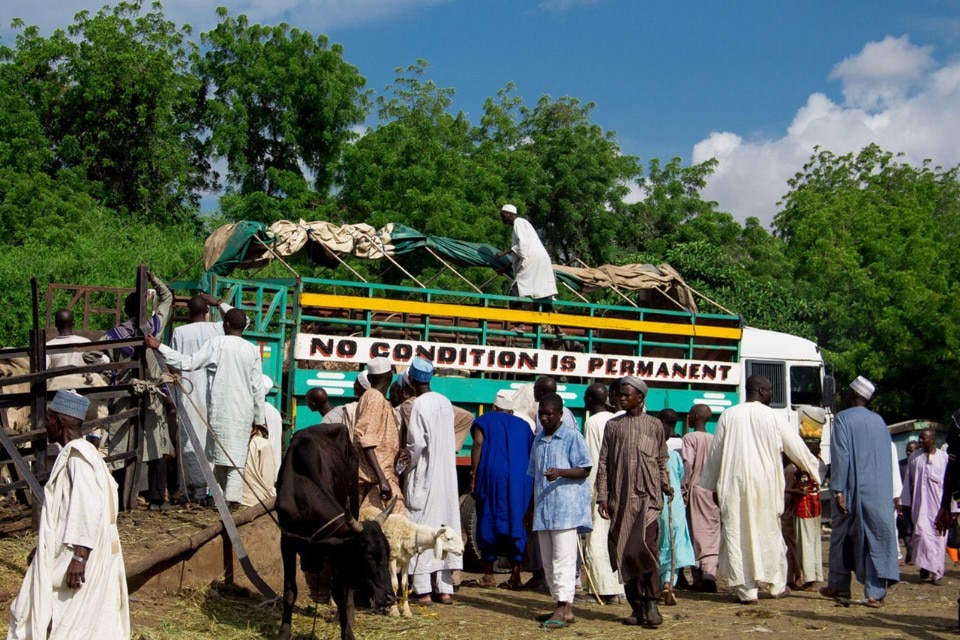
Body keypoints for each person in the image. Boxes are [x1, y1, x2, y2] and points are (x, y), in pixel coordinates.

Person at [8, 390, 129, 639]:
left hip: (81, 553)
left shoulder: (78, 458)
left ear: (60, 422)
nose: (45, 425)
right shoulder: (87, 453)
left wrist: (80, 557)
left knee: (68, 618)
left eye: (49, 418)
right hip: (80, 547)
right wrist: (43, 548)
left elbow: (88, 507)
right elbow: (69, 510)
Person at [699, 375, 820, 604]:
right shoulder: (773, 417)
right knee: (769, 532)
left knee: (738, 533)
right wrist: (814, 470)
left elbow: (716, 455)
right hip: (765, 485)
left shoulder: (729, 415)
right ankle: (775, 585)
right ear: (763, 390)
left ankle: (747, 591)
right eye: (771, 390)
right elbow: (797, 448)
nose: (772, 394)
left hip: (734, 485)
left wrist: (713, 485)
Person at [145, 308, 265, 507]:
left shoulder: (217, 343)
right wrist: (259, 419)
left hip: (219, 410)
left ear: (226, 325)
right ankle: (228, 498)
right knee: (230, 458)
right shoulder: (251, 350)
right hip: (243, 412)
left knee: (225, 459)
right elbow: (257, 388)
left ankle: (231, 500)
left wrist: (160, 346)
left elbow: (188, 363)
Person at [596, 377, 671, 627]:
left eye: (627, 394)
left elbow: (662, 460)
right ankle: (636, 607)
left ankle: (652, 602)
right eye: (620, 394)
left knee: (646, 547)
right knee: (625, 552)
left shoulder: (655, 425)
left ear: (641, 397)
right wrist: (603, 496)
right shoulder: (613, 426)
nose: (622, 398)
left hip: (648, 500)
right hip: (620, 500)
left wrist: (665, 483)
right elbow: (604, 464)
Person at [820, 376, 899, 607]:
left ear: (855, 394)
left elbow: (841, 456)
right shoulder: (879, 421)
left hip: (851, 490)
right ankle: (875, 593)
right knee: (875, 538)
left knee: (842, 537)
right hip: (879, 492)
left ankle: (840, 586)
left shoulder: (843, 419)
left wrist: (838, 490)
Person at [104, 269, 174, 511]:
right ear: (145, 309)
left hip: (125, 395)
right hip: (152, 395)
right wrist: (154, 278)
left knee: (120, 446)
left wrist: (109, 374)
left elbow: (94, 355)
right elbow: (167, 298)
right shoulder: (154, 326)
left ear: (125, 311)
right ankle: (156, 499)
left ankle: (119, 498)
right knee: (157, 445)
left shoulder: (114, 336)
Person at [527, 392, 592, 628]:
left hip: (566, 510)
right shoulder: (538, 440)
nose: (544, 418)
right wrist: (530, 509)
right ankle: (562, 608)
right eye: (541, 413)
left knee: (563, 559)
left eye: (548, 414)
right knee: (548, 561)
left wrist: (561, 472)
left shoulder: (572, 437)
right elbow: (534, 476)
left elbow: (585, 468)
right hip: (544, 510)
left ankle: (563, 605)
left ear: (560, 414)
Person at [401, 357, 462, 604]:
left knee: (423, 530)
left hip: (425, 474)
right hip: (446, 477)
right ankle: (445, 589)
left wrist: (407, 465)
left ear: (412, 380)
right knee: (445, 528)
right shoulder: (445, 402)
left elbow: (416, 444)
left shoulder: (419, 405)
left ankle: (423, 590)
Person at [168, 292, 233, 507]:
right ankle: (210, 489)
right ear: (207, 310)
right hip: (213, 393)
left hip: (188, 391)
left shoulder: (179, 331)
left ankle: (191, 489)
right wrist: (219, 303)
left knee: (188, 441)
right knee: (211, 442)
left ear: (188, 312)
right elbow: (243, 320)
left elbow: (173, 362)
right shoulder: (217, 328)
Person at [469, 390, 534, 589]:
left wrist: (473, 474)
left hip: (492, 476)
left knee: (488, 518)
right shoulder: (525, 426)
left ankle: (488, 575)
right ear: (511, 411)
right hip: (519, 479)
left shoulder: (485, 419)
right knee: (518, 521)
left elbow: (478, 442)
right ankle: (516, 575)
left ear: (494, 407)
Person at [582, 382, 622, 602]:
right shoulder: (616, 420)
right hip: (618, 488)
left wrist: (589, 493)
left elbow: (591, 460)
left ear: (588, 400)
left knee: (596, 539)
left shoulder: (592, 423)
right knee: (614, 539)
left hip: (600, 488)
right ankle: (617, 589)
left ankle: (603, 590)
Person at [900, 428, 953, 585]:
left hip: (940, 508)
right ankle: (925, 564)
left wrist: (954, 508)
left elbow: (951, 483)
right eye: (920, 438)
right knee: (922, 535)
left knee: (939, 539)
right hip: (920, 507)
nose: (920, 441)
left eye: (923, 438)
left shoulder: (944, 458)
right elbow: (908, 483)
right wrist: (904, 503)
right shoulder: (915, 458)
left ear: (933, 439)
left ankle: (937, 573)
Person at [353, 357, 405, 514]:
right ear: (390, 376)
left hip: (381, 475)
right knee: (397, 523)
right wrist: (382, 478)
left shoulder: (378, 399)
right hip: (375, 479)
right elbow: (366, 441)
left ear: (369, 378)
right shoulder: (374, 398)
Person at [494, 204, 558, 332]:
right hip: (541, 261)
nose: (502, 218)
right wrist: (507, 266)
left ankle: (519, 324)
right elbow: (520, 250)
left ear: (509, 214)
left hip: (532, 261)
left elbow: (522, 245)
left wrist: (504, 253)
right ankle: (557, 327)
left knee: (515, 292)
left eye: (503, 215)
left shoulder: (518, 222)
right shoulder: (523, 224)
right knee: (542, 293)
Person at [680, 404, 720, 592]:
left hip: (696, 488)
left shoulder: (689, 438)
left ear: (694, 417)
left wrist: (683, 487)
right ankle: (710, 571)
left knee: (696, 531)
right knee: (712, 531)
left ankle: (700, 575)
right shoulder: (715, 440)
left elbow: (688, 464)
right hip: (713, 491)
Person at [658, 416, 695, 602]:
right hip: (675, 504)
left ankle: (659, 584)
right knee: (673, 542)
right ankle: (668, 582)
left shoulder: (649, 458)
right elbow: (680, 476)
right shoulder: (674, 456)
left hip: (655, 505)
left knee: (658, 543)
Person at [788, 439, 826, 591]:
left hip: (805, 509)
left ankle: (810, 579)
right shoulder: (820, 463)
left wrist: (786, 489)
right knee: (815, 543)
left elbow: (803, 490)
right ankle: (816, 576)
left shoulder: (805, 468)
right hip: (816, 507)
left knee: (806, 544)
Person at [239, 423, 277, 507]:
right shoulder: (263, 443)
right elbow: (268, 476)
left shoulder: (233, 443)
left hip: (231, 498)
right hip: (255, 500)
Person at [898, 439, 920, 563]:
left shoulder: (921, 464)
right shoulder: (901, 465)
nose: (909, 452)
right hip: (904, 502)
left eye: (912, 450)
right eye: (907, 450)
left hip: (918, 502)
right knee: (906, 530)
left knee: (918, 530)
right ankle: (910, 553)